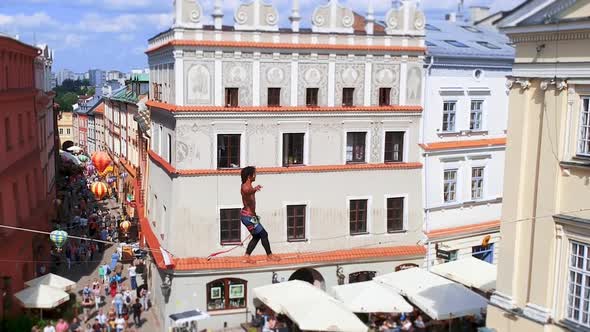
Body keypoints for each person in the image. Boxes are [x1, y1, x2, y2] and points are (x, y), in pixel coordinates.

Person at [240, 166, 280, 263]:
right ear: (250, 176)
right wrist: (255, 189)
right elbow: (247, 192)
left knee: (257, 236)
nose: (255, 176)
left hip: (250, 216)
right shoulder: (246, 186)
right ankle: (269, 255)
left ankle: (246, 256)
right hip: (248, 217)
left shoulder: (248, 185)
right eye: (254, 174)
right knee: (264, 234)